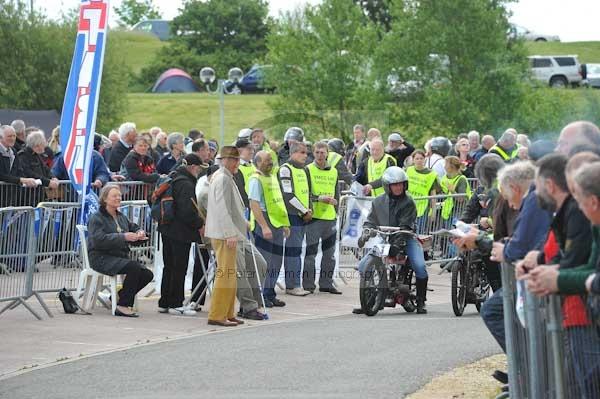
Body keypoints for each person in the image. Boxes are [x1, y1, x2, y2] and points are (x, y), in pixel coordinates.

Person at [354, 167, 429, 314]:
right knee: (363, 265)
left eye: (401, 184)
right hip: (385, 237)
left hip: (407, 238)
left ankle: (421, 301)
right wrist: (365, 234)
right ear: (387, 186)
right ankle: (369, 301)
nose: (398, 187)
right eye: (395, 184)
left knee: (419, 266)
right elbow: (370, 221)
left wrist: (398, 243)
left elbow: (406, 225)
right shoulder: (378, 201)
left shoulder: (409, 202)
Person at [87, 184, 154, 317]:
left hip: (119, 257)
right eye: (114, 196)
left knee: (147, 274)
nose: (118, 198)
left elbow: (133, 227)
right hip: (101, 257)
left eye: (119, 195)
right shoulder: (96, 217)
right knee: (134, 267)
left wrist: (140, 233)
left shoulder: (121, 217)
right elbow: (98, 240)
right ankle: (123, 305)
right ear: (105, 199)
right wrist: (123, 236)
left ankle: (117, 297)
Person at [205, 146, 248, 327]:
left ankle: (228, 313)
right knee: (225, 274)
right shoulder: (222, 178)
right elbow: (222, 208)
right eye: (235, 160)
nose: (238, 163)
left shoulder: (223, 177)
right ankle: (217, 314)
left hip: (225, 233)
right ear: (227, 161)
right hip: (224, 234)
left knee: (229, 274)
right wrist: (230, 232)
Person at [158, 154, 205, 316]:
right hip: (180, 232)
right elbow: (187, 211)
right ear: (193, 167)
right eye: (199, 168)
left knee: (169, 266)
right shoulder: (186, 184)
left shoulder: (174, 177)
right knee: (179, 267)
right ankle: (176, 303)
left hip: (166, 228)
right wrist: (200, 223)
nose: (199, 171)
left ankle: (164, 302)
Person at [249, 150, 290, 307]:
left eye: (271, 159)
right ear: (258, 162)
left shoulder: (271, 177)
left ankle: (270, 293)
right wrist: (264, 226)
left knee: (276, 262)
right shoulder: (256, 180)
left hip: (277, 223)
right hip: (264, 223)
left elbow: (278, 203)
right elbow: (254, 204)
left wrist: (284, 224)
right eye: (267, 160)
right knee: (264, 262)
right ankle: (261, 296)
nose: (270, 162)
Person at [303, 142, 341, 294]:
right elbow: (304, 194)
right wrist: (319, 199)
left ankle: (326, 283)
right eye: (317, 152)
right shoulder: (308, 170)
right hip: (314, 218)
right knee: (310, 254)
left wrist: (336, 208)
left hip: (330, 218)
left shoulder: (334, 171)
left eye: (322, 152)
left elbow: (337, 192)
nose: (320, 155)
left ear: (327, 153)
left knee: (329, 254)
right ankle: (308, 285)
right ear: (313, 153)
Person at [279, 142, 311, 296]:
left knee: (297, 251)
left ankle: (294, 284)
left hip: (303, 216)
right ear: (293, 153)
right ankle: (292, 285)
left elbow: (307, 193)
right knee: (293, 251)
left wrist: (308, 209)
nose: (305, 155)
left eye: (306, 152)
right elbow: (288, 195)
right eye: (302, 152)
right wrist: (304, 211)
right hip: (292, 216)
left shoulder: (304, 170)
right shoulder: (285, 169)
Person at [18, 130, 59, 205]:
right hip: (27, 196)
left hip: (38, 194)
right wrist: (48, 182)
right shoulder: (23, 156)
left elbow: (46, 169)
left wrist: (53, 177)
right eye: (42, 144)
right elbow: (29, 173)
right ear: (37, 145)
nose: (44, 146)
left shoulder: (37, 155)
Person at [406, 149, 440, 234]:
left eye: (421, 158)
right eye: (417, 158)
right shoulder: (408, 170)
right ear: (413, 160)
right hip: (408, 207)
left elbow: (433, 194)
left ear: (425, 159)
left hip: (423, 208)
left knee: (419, 232)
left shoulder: (431, 174)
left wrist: (434, 211)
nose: (419, 160)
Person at [233, 138, 256, 208]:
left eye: (253, 149)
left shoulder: (254, 165)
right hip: (247, 206)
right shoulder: (236, 168)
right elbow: (240, 191)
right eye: (249, 149)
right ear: (239, 151)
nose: (252, 151)